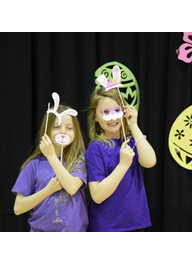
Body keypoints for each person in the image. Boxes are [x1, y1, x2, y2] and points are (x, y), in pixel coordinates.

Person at [86, 88, 157, 232]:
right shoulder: (96, 148)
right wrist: (123, 165)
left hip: (136, 223)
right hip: (108, 226)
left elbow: (150, 161)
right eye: (105, 112)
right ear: (95, 116)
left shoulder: (132, 140)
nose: (112, 118)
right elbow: (97, 195)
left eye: (117, 110)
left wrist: (134, 126)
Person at [12, 105, 89, 232]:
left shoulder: (78, 159)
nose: (63, 132)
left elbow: (72, 188)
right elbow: (18, 208)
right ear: (46, 131)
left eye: (69, 128)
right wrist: (48, 190)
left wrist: (51, 156)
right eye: (56, 127)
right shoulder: (33, 165)